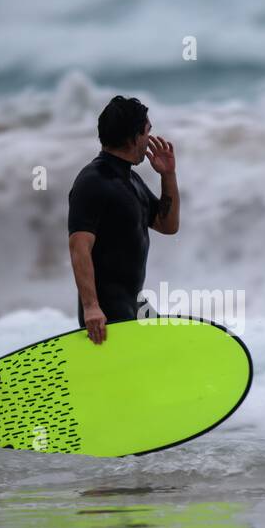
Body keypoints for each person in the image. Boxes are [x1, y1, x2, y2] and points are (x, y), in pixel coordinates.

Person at [67, 95, 180, 344]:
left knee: (171, 349)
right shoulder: (93, 182)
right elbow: (79, 247)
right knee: (142, 374)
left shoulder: (132, 180)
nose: (150, 139)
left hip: (135, 304)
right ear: (134, 137)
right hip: (107, 314)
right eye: (147, 132)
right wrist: (91, 308)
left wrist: (168, 176)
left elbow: (167, 225)